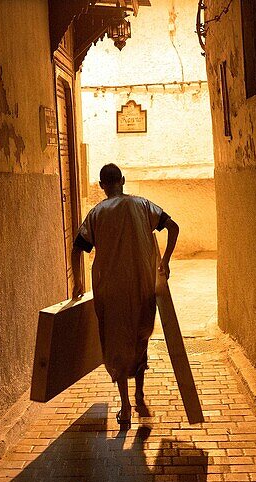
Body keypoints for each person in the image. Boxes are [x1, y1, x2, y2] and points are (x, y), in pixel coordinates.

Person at [72, 163, 179, 429]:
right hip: (142, 287)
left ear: (101, 186)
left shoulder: (96, 214)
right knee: (140, 337)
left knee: (117, 344)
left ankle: (125, 406)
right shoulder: (143, 206)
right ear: (123, 179)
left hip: (110, 292)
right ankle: (140, 394)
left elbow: (77, 248)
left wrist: (77, 283)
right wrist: (164, 261)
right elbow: (173, 226)